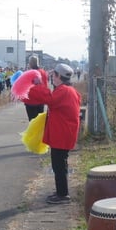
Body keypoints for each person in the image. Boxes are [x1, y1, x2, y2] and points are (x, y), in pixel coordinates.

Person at [26, 63, 81, 204]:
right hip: (64, 132)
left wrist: (37, 86)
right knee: (59, 164)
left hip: (62, 133)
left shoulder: (63, 91)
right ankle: (61, 192)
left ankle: (63, 194)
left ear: (58, 76)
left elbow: (48, 99)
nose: (51, 78)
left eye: (53, 75)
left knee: (59, 165)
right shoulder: (68, 90)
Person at [23, 55, 47, 120]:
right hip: (40, 100)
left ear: (30, 63)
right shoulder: (43, 72)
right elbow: (45, 86)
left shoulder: (29, 73)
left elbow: (25, 87)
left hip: (31, 100)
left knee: (32, 122)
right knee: (39, 122)